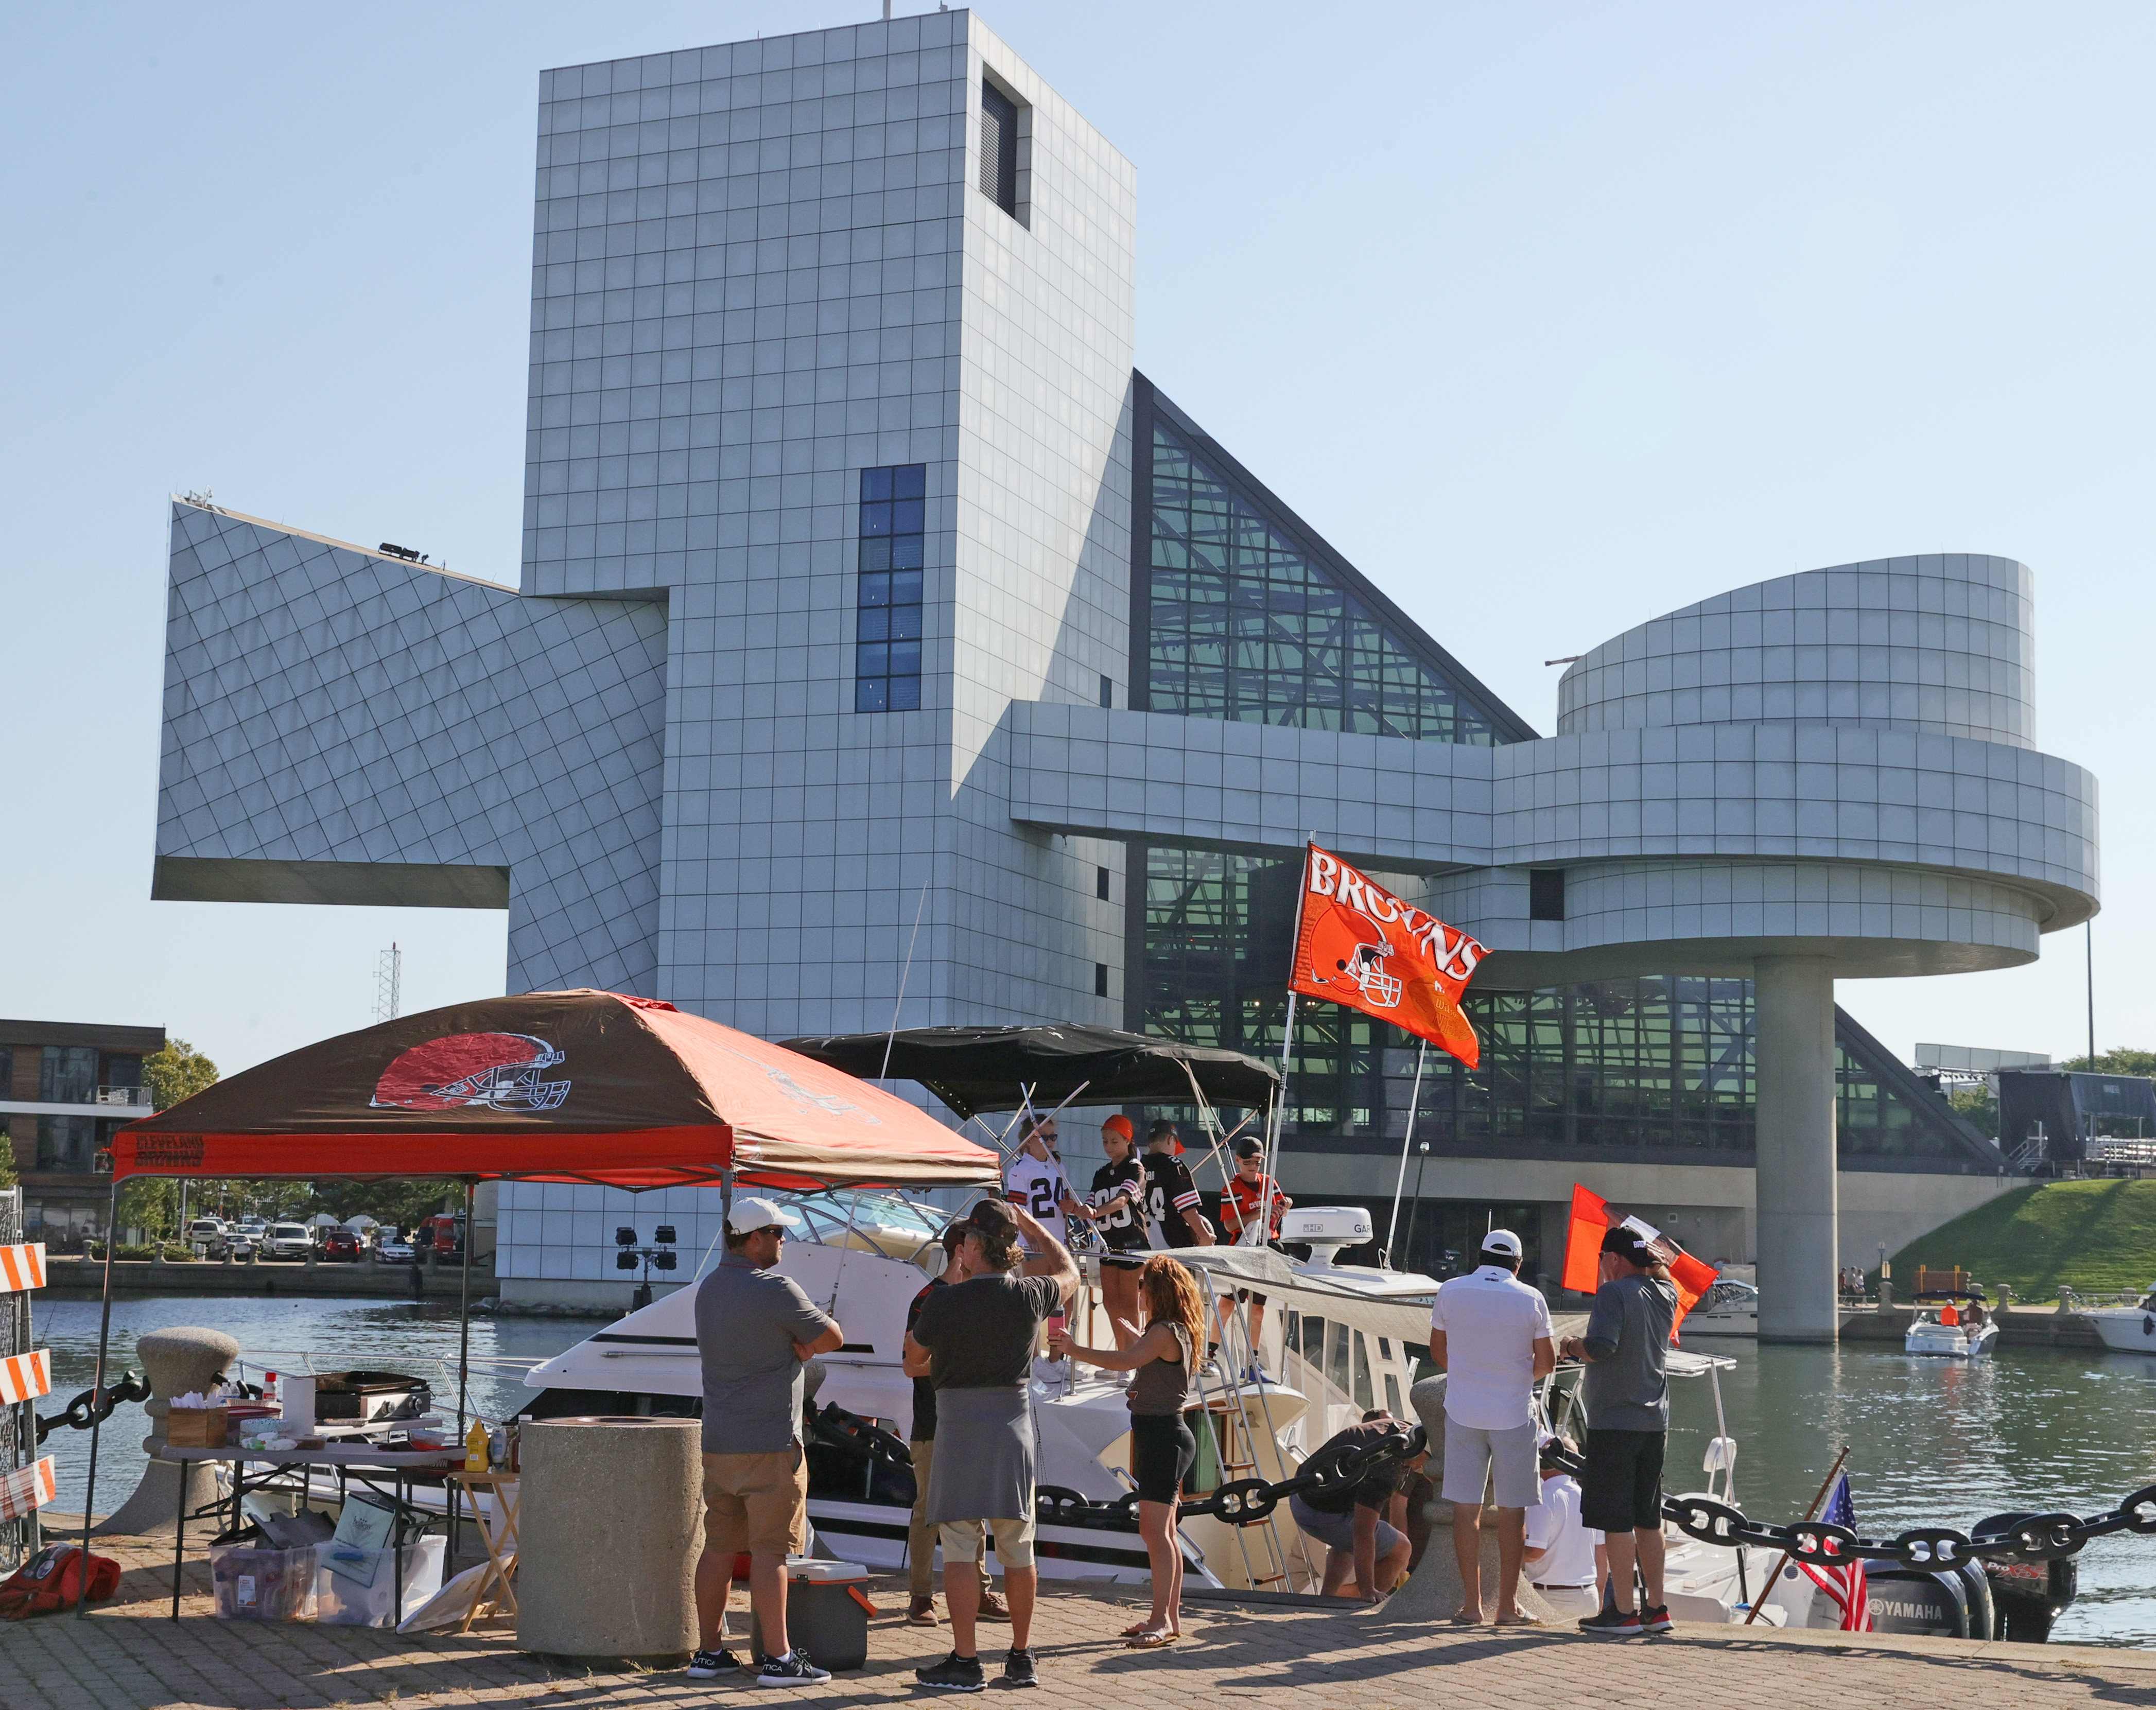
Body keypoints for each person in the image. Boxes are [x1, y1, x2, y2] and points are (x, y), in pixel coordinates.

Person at [904, 1198, 1080, 1691]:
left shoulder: (943, 1302)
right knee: (1018, 1549)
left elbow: (913, 1357)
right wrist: (1036, 1229)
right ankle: (1021, 1658)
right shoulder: (1030, 1295)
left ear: (973, 1247)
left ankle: (965, 1661)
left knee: (960, 1547)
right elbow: (1070, 1272)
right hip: (1012, 1430)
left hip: (958, 1431)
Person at [688, 1197, 846, 1684]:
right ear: (754, 1238)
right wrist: (798, 1347)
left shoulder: (707, 1289)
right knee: (770, 1552)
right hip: (771, 1441)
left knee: (717, 1548)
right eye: (777, 1233)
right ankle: (778, 1659)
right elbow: (833, 1338)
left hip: (719, 1441)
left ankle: (708, 1652)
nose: (782, 1241)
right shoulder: (776, 1287)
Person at [1049, 1253, 1205, 1647]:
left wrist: (1072, 1348)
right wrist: (1139, 1338)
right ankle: (1169, 1617)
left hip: (1163, 1437)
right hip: (1164, 1434)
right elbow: (1147, 1360)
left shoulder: (1165, 1331)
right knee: (1164, 1533)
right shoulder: (1171, 1329)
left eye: (1142, 1284)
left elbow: (1124, 1361)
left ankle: (1161, 1621)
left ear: (1157, 1289)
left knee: (1154, 1532)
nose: (1138, 1290)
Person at [1427, 1228, 1557, 1625]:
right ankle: (1506, 1608)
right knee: (1513, 1512)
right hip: (1514, 1415)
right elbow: (1548, 1362)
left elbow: (1438, 1351)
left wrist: (1471, 1376)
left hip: (1463, 1412)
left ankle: (1471, 1607)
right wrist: (1512, 1381)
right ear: (1517, 1264)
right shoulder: (1531, 1298)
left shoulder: (1450, 1290)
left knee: (1466, 1510)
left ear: (1480, 1257)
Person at [1557, 1226, 1678, 1638]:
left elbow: (1602, 1346)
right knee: (1649, 1515)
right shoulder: (1667, 1294)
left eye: (1601, 1260)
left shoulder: (1614, 1294)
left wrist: (1571, 1346)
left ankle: (1623, 1611)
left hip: (1614, 1421)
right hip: (1654, 1422)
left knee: (1616, 1519)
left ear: (1612, 1258)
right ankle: (1657, 1608)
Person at [905, 1223, 1004, 1628]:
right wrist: (958, 1365)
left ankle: (979, 1593)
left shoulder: (981, 1296)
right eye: (984, 1246)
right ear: (963, 1251)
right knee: (928, 1510)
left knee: (975, 1508)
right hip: (933, 1424)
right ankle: (921, 1597)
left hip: (974, 1422)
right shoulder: (928, 1299)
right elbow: (911, 1365)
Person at [1288, 1410, 1426, 1601]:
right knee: (1401, 1548)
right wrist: (1367, 1588)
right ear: (1419, 1450)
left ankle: (1328, 1597)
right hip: (1317, 1512)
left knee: (1345, 1540)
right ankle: (1365, 1602)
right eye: (1426, 1464)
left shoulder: (1400, 1429)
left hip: (1302, 1495)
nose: (1423, 1470)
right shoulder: (1387, 1469)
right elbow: (1363, 1531)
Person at [1217, 1137, 1291, 1380]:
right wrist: (1259, 1213)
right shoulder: (1231, 1188)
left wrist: (1285, 1206)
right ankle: (1208, 1353)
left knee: (1258, 1309)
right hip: (1243, 1249)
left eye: (1258, 1162)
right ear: (1238, 1160)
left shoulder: (1269, 1183)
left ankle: (1252, 1362)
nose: (1253, 1166)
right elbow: (1229, 1225)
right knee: (1228, 1303)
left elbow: (1281, 1204)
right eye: (1248, 1161)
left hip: (1268, 1247)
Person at [1088, 1115, 1151, 1349]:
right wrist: (1075, 1208)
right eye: (1105, 1142)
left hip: (1132, 1242)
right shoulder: (1101, 1173)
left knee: (1128, 1301)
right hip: (1108, 1243)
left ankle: (1135, 1355)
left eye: (1114, 1141)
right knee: (1110, 1301)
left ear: (1127, 1140)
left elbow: (1123, 1200)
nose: (1109, 1147)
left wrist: (1093, 1212)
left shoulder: (1135, 1167)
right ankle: (1122, 1352)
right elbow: (1090, 1202)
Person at [1522, 1434, 1605, 1596]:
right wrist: (1599, 1597)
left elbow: (1534, 1553)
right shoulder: (1590, 1498)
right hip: (1589, 1594)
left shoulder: (1543, 1499)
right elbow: (1601, 1555)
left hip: (1552, 1596)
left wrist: (1502, 1554)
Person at [1003, 1114, 1086, 1252]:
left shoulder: (1059, 1168)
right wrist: (1031, 1238)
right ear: (1028, 1140)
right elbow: (1016, 1211)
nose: (1050, 1141)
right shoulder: (1020, 1169)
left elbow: (1064, 1209)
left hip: (1059, 1242)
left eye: (1053, 1137)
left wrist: (1067, 1237)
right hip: (1033, 1246)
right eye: (1044, 1137)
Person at [1141, 1121, 1211, 1248]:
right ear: (1170, 1139)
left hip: (1143, 1240)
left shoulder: (1137, 1166)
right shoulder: (1174, 1165)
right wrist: (1204, 1236)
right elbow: (1187, 1207)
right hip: (1172, 1241)